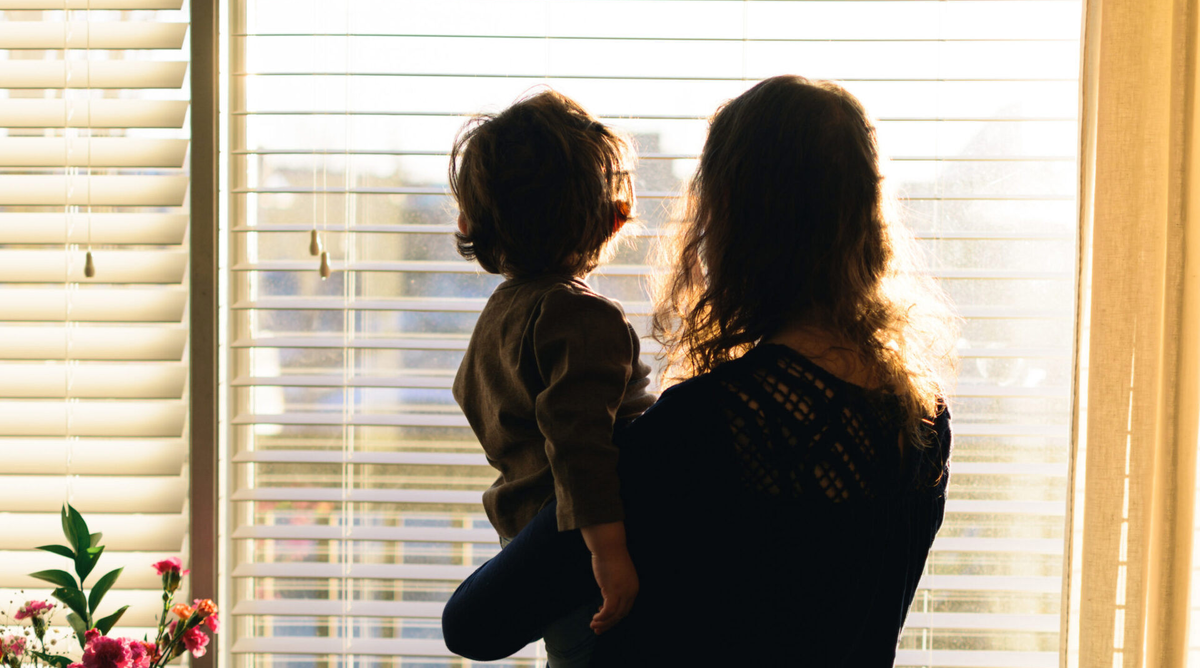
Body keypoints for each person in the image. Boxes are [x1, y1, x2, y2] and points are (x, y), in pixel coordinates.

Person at [444, 75, 958, 666]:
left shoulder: (703, 429)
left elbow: (473, 625)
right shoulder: (924, 419)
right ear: (868, 219)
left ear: (733, 221)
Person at [442, 89, 656, 668]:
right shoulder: (581, 315)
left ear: (472, 223)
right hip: (586, 549)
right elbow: (580, 447)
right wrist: (609, 553)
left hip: (531, 540)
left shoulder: (501, 313)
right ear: (612, 219)